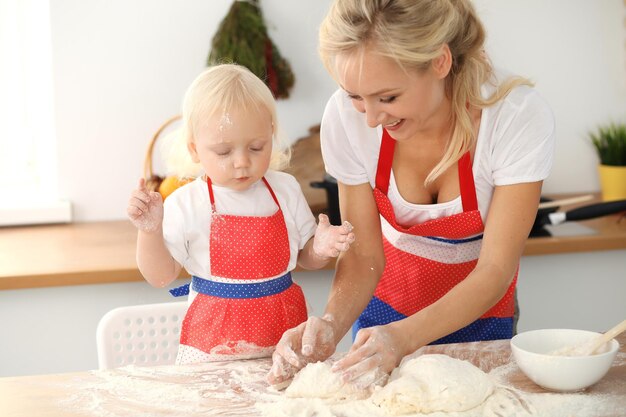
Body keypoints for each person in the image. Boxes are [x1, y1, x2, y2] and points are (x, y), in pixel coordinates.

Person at [268, 0, 555, 385]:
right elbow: (363, 253)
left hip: (482, 324)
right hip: (381, 320)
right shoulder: (346, 118)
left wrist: (404, 338)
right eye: (354, 95)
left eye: (388, 98)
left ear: (440, 62)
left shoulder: (514, 115)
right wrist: (330, 327)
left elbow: (495, 270)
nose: (370, 118)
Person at [127, 64, 355, 365]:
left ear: (271, 135)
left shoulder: (284, 189)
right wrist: (149, 231)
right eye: (224, 152)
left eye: (257, 147)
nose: (242, 162)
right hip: (214, 344)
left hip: (284, 334)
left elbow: (305, 257)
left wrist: (321, 248)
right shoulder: (186, 202)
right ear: (195, 150)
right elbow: (160, 276)